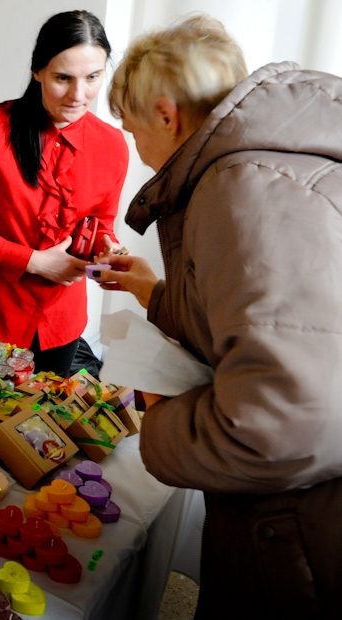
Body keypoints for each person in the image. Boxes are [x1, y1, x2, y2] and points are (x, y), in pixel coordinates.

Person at [98, 14, 342, 616]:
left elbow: (282, 422)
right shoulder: (270, 166)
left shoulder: (243, 191)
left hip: (300, 541)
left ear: (164, 113)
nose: (136, 149)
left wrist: (161, 421)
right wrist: (157, 294)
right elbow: (267, 317)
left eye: (130, 130)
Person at [0, 11, 128, 376]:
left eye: (92, 78)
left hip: (62, 320)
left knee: (45, 427)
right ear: (37, 71)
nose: (78, 95)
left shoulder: (113, 145)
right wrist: (35, 261)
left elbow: (100, 224)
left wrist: (108, 249)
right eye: (62, 78)